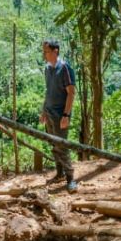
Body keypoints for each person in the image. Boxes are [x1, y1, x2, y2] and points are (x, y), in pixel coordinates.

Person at [39, 38, 77, 192]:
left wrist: (66, 115)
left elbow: (71, 93)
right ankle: (59, 173)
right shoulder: (48, 69)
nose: (45, 55)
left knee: (62, 146)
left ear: (56, 51)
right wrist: (43, 111)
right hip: (49, 113)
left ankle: (70, 178)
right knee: (53, 144)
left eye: (47, 51)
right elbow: (48, 91)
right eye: (44, 51)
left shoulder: (65, 68)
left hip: (60, 114)